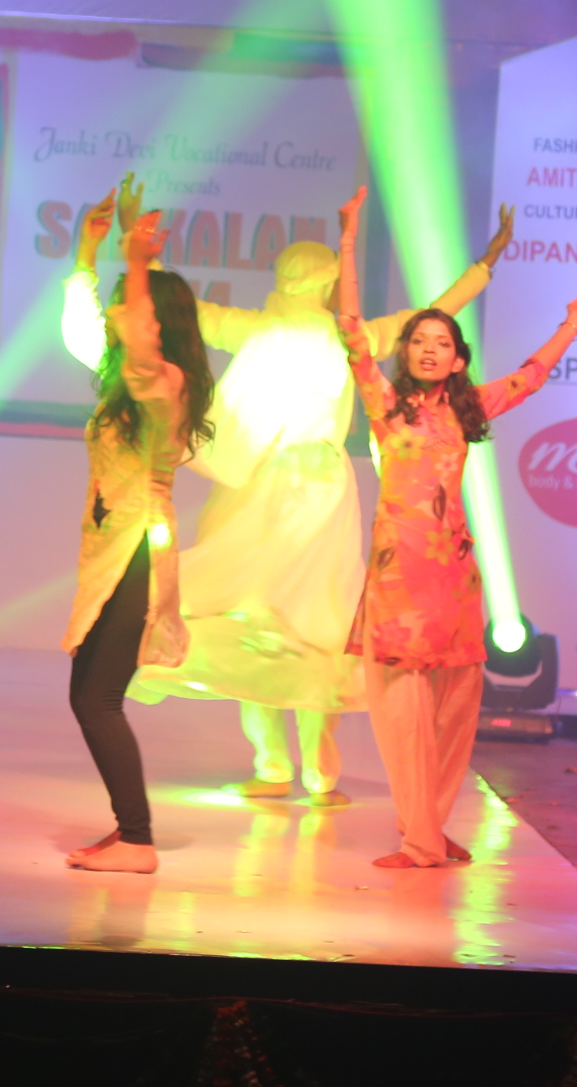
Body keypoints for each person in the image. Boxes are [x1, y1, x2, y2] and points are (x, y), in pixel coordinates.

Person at [102, 198, 513, 806]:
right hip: (309, 488)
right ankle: (314, 772)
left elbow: (186, 313)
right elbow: (432, 312)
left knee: (259, 620)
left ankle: (278, 766)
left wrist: (140, 259)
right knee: (310, 627)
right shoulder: (349, 336)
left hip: (274, 487)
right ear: (324, 280)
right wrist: (484, 266)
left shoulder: (275, 329)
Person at [335, 187, 577, 868]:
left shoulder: (468, 409)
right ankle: (418, 835)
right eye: (419, 341)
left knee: (453, 715)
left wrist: (573, 322)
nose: (428, 349)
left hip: (452, 580)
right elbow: (350, 327)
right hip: (399, 582)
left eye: (441, 342)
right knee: (402, 717)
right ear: (406, 355)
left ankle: (429, 826)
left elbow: (532, 376)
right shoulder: (385, 405)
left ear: (457, 360)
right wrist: (349, 236)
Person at [56, 175, 217, 874]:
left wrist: (136, 259)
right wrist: (86, 257)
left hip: (137, 549)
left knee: (98, 699)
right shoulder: (127, 379)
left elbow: (141, 348)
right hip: (115, 547)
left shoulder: (164, 383)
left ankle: (138, 839)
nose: (119, 316)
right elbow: (81, 329)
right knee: (86, 695)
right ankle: (130, 832)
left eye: (132, 308)